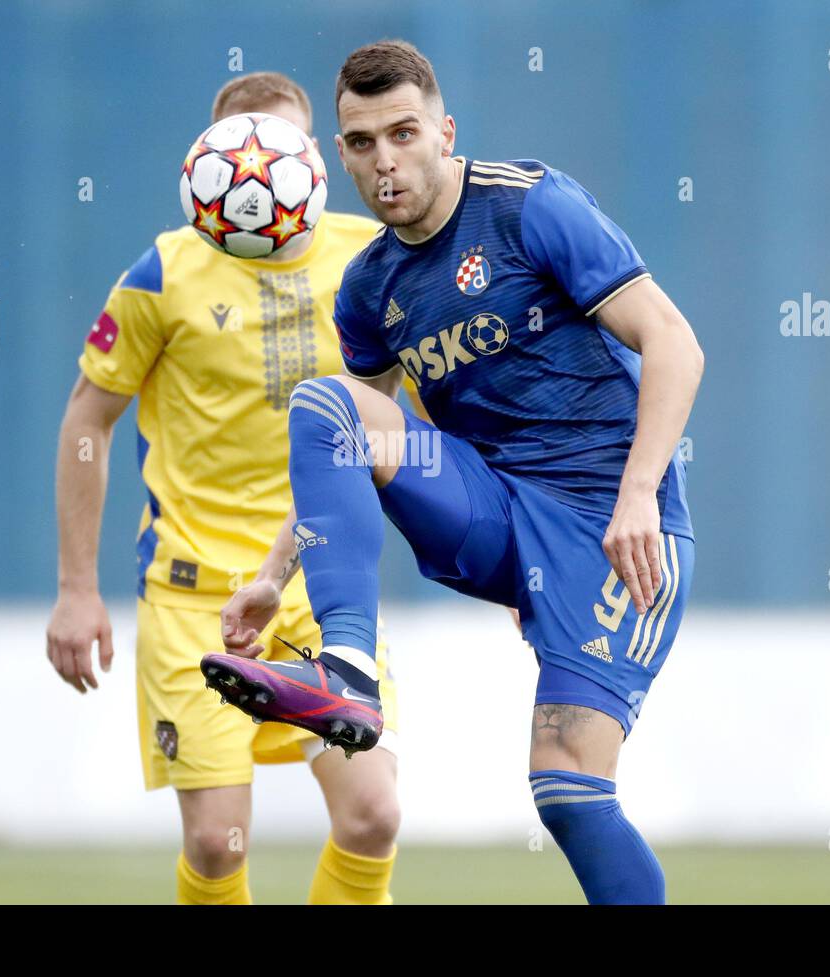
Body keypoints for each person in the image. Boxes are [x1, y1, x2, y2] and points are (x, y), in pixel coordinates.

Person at [205, 42, 704, 905]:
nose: (385, 161)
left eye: (403, 133)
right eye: (361, 143)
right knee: (326, 403)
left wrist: (636, 500)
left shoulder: (530, 207)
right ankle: (348, 669)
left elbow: (675, 342)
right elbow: (344, 442)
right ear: (340, 154)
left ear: (445, 130)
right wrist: (269, 576)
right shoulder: (369, 287)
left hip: (608, 525)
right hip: (492, 505)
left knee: (569, 793)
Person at [46, 71, 402, 905]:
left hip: (321, 588)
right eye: (238, 155)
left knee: (374, 815)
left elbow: (421, 406)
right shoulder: (162, 275)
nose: (258, 175)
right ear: (206, 168)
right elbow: (86, 422)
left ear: (313, 157)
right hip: (193, 597)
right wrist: (75, 588)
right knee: (215, 845)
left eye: (280, 150)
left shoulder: (370, 257)